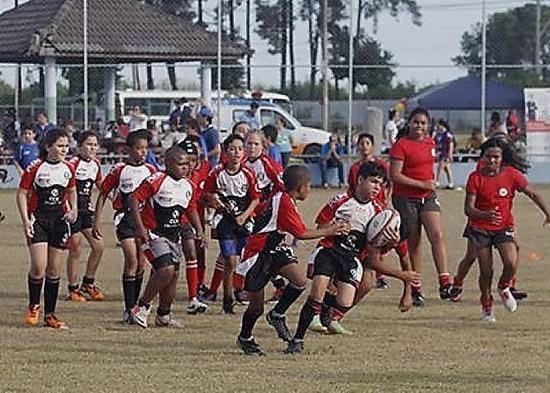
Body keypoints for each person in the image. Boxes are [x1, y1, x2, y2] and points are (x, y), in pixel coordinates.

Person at [284, 162, 421, 354]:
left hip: (350, 258)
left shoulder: (379, 212)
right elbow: (321, 226)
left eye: (380, 184)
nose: (376, 187)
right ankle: (297, 339)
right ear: (360, 180)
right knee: (317, 289)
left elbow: (374, 252)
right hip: (330, 250)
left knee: (345, 301)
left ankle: (323, 313)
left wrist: (389, 242)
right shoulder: (340, 201)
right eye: (373, 182)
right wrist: (333, 229)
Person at [234, 165, 349, 355]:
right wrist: (330, 230)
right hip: (259, 253)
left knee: (300, 281)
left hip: (275, 248)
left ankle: (277, 314)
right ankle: (245, 337)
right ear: (300, 187)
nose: (310, 189)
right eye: (309, 185)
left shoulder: (285, 198)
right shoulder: (284, 202)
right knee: (256, 307)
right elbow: (301, 233)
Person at [461, 138, 550, 321]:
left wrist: (547, 213)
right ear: (482, 158)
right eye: (488, 157)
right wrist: (484, 215)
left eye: (496, 157)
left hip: (503, 227)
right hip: (480, 228)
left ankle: (504, 286)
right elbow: (468, 209)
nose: (492, 161)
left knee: (510, 262)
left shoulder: (511, 174)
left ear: (502, 158)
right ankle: (486, 302)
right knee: (486, 271)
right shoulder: (475, 178)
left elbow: (532, 193)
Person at [129, 146, 205, 328]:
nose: (185, 167)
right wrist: (140, 228)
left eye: (187, 164)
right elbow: (134, 198)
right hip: (153, 234)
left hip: (173, 235)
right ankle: (141, 307)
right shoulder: (157, 180)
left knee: (173, 275)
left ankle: (164, 315)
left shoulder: (188, 186)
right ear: (168, 164)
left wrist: (199, 230)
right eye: (181, 164)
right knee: (166, 270)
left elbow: (191, 208)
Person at [92, 129, 157, 322]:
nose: (142, 152)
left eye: (145, 148)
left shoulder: (151, 170)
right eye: (138, 148)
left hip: (144, 222)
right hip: (125, 220)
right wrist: (97, 221)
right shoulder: (120, 170)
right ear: (129, 149)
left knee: (140, 264)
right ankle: (128, 308)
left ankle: (136, 307)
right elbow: (103, 192)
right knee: (131, 260)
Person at [390, 107, 452, 306]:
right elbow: (395, 175)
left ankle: (444, 282)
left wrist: (429, 184)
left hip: (428, 196)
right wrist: (421, 184)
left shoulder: (430, 142)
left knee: (437, 234)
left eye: (423, 123)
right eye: (416, 122)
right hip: (405, 198)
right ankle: (415, 288)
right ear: (409, 123)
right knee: (414, 243)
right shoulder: (401, 145)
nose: (419, 126)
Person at [17, 129, 77, 329]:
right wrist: (26, 220)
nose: (64, 149)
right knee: (38, 267)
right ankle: (34, 304)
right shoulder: (36, 167)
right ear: (48, 146)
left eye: (66, 146)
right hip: (39, 220)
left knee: (54, 269)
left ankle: (50, 315)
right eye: (60, 145)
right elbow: (22, 193)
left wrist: (74, 209)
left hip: (59, 222)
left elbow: (71, 190)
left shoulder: (68, 167)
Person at [202, 134, 260, 314]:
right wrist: (212, 202)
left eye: (240, 149)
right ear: (225, 152)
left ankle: (239, 292)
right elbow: (205, 195)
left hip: (244, 222)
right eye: (233, 149)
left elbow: (255, 198)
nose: (237, 153)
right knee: (230, 260)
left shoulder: (248, 174)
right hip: (225, 224)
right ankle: (227, 302)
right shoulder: (217, 173)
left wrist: (245, 216)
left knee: (242, 260)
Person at [65, 131, 105, 302]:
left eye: (95, 145)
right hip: (72, 210)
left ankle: (88, 283)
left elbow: (100, 185)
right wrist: (69, 209)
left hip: (86, 211)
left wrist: (117, 197)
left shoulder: (95, 164)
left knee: (99, 246)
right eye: (89, 144)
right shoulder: (72, 164)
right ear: (80, 146)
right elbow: (64, 188)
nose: (92, 148)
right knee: (76, 247)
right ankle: (73, 288)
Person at [435, 120, 456, 190]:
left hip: (445, 154)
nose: (437, 127)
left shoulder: (447, 134)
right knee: (447, 169)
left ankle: (437, 182)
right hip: (441, 153)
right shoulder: (439, 134)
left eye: (439, 125)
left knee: (440, 167)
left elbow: (451, 143)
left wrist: (450, 154)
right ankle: (451, 183)